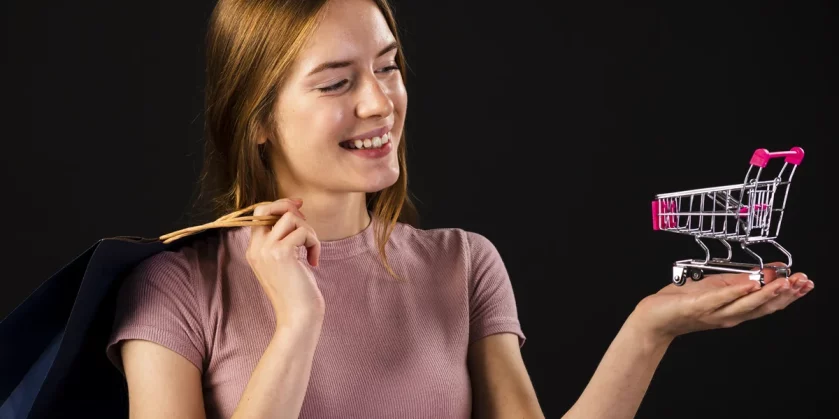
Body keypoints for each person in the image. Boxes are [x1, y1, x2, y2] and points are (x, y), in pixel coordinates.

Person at [105, 0, 815, 417]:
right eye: (335, 82)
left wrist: (647, 330)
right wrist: (296, 324)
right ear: (255, 117)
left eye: (387, 65)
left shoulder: (462, 263)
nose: (379, 102)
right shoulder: (175, 290)